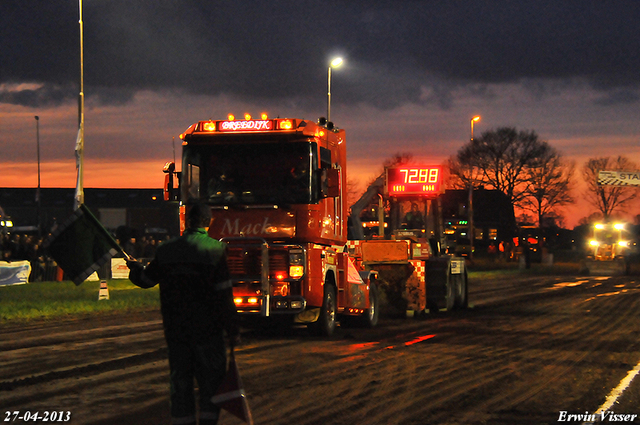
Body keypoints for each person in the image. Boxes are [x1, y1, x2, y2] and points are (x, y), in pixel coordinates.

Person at [127, 202, 239, 425]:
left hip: (176, 330)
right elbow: (224, 297)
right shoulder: (216, 250)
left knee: (181, 384)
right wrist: (233, 330)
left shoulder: (166, 250)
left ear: (187, 221)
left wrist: (135, 269)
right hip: (209, 332)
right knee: (211, 384)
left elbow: (146, 281)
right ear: (209, 222)